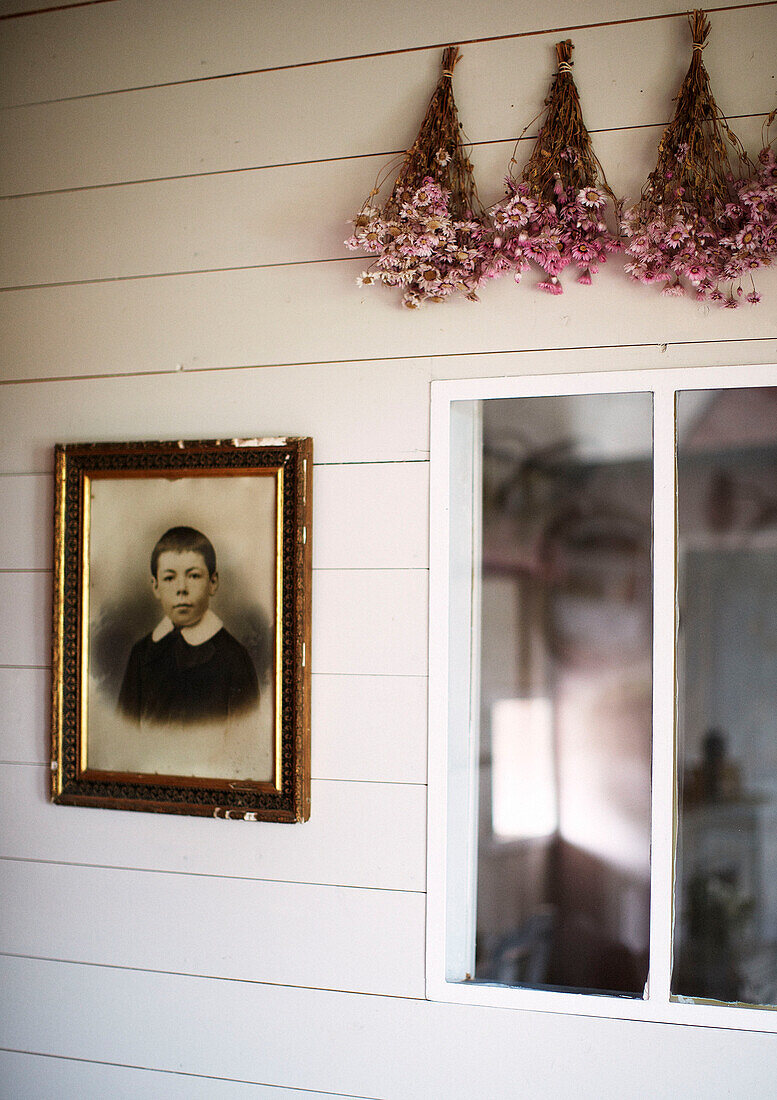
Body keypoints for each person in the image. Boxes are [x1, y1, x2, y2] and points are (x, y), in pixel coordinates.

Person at [118, 526, 259, 726]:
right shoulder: (141, 653)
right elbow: (126, 730)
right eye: (169, 578)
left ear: (213, 582)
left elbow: (245, 740)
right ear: (156, 586)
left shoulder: (234, 658)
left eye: (193, 576)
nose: (181, 589)